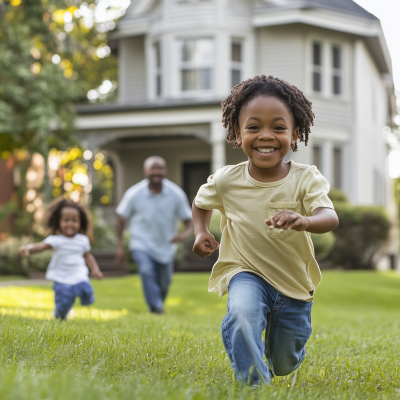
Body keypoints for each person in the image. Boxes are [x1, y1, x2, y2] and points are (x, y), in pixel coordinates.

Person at [192, 75, 339, 385]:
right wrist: (201, 231)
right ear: (237, 132)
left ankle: (276, 357)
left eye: (279, 127)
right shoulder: (226, 180)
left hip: (293, 282)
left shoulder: (305, 178)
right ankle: (255, 385)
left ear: (295, 133)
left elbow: (329, 216)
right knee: (242, 316)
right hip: (245, 272)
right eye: (254, 127)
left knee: (284, 363)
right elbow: (201, 202)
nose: (266, 136)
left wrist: (305, 221)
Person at [116, 156, 192, 314]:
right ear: (145, 171)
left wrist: (184, 235)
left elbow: (188, 221)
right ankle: (157, 307)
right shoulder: (134, 193)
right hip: (141, 242)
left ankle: (155, 306)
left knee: (165, 283)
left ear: (165, 171)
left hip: (166, 245)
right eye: (153, 168)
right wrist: (119, 246)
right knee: (146, 270)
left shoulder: (176, 194)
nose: (156, 172)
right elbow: (121, 218)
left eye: (160, 168)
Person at [19, 198, 103, 320]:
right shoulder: (56, 240)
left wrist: (95, 270)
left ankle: (84, 300)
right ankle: (60, 314)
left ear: (80, 223)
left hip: (79, 275)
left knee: (87, 291)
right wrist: (28, 248)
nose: (70, 224)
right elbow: (41, 246)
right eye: (66, 220)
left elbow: (87, 256)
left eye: (74, 220)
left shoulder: (82, 240)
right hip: (61, 277)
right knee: (63, 304)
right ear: (58, 222)